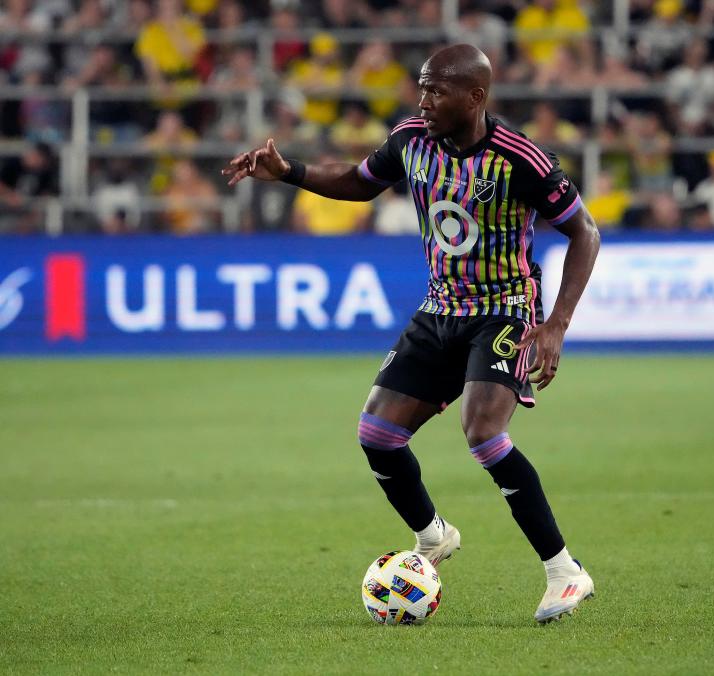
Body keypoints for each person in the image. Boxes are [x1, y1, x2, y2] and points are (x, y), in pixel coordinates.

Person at [222, 44, 601, 624]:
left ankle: (564, 571)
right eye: (420, 88)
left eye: (436, 91)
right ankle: (433, 535)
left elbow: (585, 233)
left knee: (482, 432)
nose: (422, 101)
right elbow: (358, 181)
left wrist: (555, 326)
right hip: (440, 308)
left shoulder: (519, 157)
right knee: (376, 432)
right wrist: (291, 172)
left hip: (505, 309)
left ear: (475, 97)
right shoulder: (410, 139)